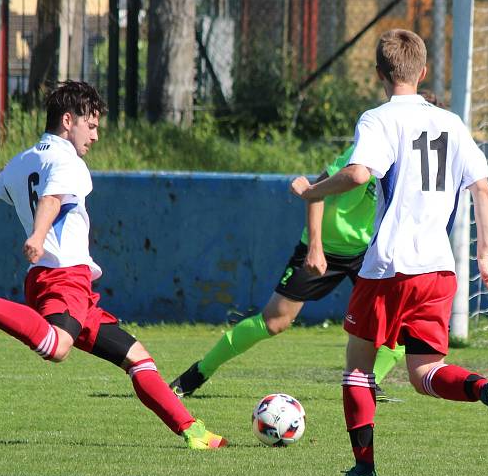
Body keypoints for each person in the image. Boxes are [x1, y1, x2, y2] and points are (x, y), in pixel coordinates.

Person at [0, 80, 226, 450]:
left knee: (138, 359)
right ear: (68, 120)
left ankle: (192, 432)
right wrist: (38, 233)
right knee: (57, 347)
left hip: (59, 281)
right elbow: (51, 197)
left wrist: (32, 218)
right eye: (91, 125)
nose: (95, 136)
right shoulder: (69, 162)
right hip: (64, 277)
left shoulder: (24, 159)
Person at [290, 29, 488, 476]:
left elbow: (360, 172)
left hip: (389, 266)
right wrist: (485, 253)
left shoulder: (378, 119)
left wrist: (311, 190)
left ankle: (363, 470)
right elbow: (481, 187)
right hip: (439, 269)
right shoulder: (452, 122)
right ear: (422, 72)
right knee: (425, 372)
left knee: (358, 369)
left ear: (379, 73)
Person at [168, 141, 406, 399]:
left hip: (369, 252)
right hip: (326, 246)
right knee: (274, 321)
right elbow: (315, 191)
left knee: (400, 323)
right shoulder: (366, 151)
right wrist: (315, 247)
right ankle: (198, 373)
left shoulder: (412, 163)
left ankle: (370, 384)